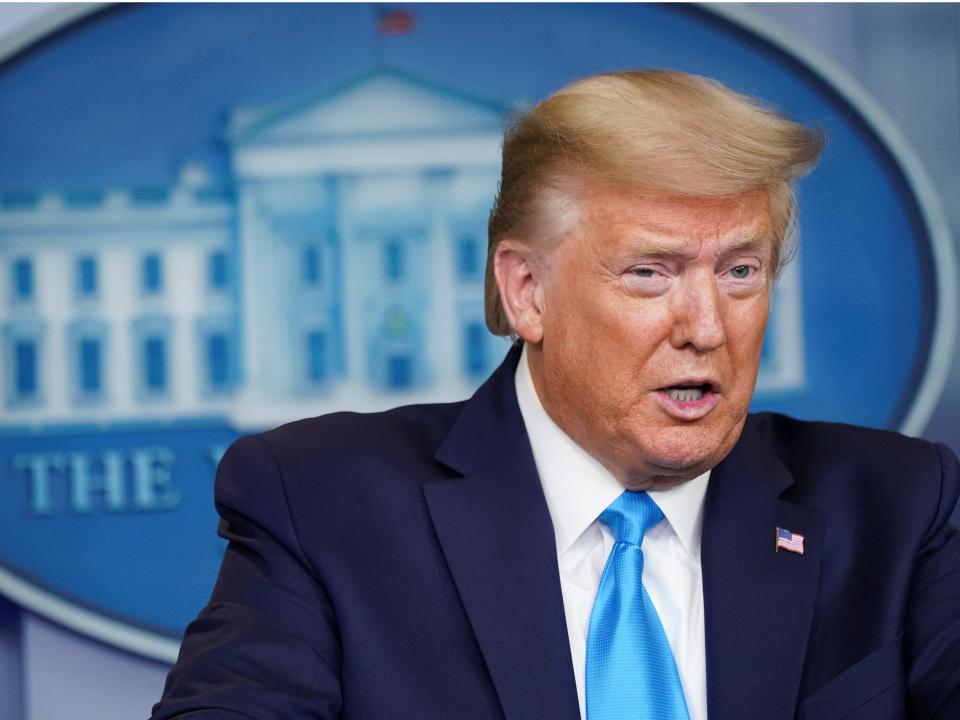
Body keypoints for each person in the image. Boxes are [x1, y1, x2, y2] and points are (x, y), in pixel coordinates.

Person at [151, 70, 960, 720]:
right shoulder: (323, 506)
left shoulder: (900, 506)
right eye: (651, 273)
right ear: (527, 292)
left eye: (740, 272)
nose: (707, 328)